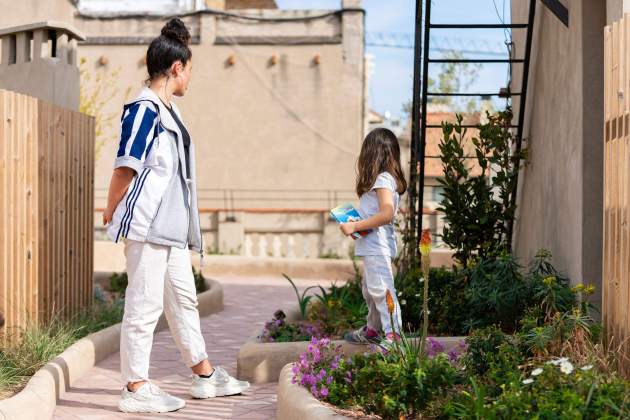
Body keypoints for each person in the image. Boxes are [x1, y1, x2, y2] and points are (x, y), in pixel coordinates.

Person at [102, 18, 249, 413]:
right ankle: (135, 388)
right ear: (176, 68)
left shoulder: (171, 113)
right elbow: (125, 166)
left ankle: (203, 377)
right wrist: (110, 207)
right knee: (144, 305)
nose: (191, 80)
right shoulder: (143, 109)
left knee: (184, 301)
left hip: (171, 231)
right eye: (190, 71)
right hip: (148, 227)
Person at [339, 128, 407, 345]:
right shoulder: (382, 181)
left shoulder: (383, 179)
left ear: (373, 154)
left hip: (378, 248)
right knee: (371, 290)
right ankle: (373, 330)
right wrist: (357, 227)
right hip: (372, 246)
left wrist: (356, 225)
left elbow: (386, 214)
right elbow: (376, 216)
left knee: (382, 290)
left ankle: (393, 337)